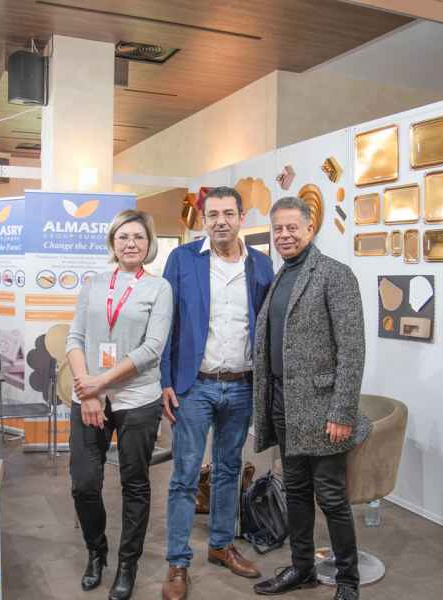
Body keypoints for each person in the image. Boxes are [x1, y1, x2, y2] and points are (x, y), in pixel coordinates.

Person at [251, 197, 369, 600]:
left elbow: (352, 349)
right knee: (297, 491)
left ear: (309, 228)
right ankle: (302, 569)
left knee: (331, 497)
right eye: (278, 229)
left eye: (292, 228)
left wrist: (343, 412)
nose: (284, 235)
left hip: (322, 409)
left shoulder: (335, 274)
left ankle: (348, 581)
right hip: (284, 404)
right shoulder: (280, 276)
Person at [160, 187, 274, 600]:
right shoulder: (182, 259)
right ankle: (178, 562)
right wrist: (165, 381)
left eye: (228, 213)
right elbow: (165, 322)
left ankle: (222, 546)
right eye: (213, 214)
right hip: (195, 385)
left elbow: (263, 326)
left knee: (229, 470)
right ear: (203, 219)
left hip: (242, 384)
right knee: (185, 475)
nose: (221, 221)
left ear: (242, 216)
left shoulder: (261, 264)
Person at [65, 209, 173, 600]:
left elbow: (151, 348)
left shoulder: (159, 288)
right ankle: (97, 552)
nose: (131, 243)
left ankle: (128, 564)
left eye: (139, 237)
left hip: (138, 399)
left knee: (135, 484)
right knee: (84, 484)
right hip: (91, 399)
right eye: (124, 236)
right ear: (113, 242)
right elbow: (75, 339)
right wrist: (90, 392)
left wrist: (99, 383)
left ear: (149, 244)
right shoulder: (94, 284)